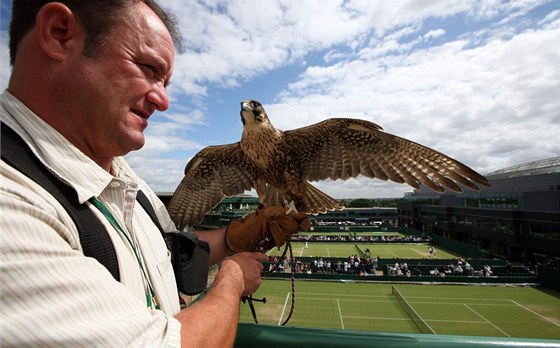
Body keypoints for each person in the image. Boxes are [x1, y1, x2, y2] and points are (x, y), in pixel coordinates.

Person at [0, 1, 307, 347]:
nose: (163, 101)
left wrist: (235, 238)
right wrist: (231, 280)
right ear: (58, 35)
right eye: (147, 68)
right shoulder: (12, 203)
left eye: (166, 82)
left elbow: (163, 255)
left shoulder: (124, 177)